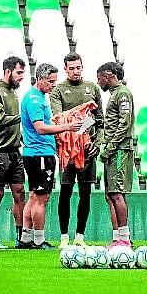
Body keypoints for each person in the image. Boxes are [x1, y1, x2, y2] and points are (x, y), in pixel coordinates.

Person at [18, 63, 82, 249]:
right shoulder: (35, 100)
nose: (54, 85)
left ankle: (26, 239)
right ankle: (39, 240)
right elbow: (40, 128)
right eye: (51, 81)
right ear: (40, 79)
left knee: (33, 196)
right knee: (41, 198)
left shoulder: (36, 97)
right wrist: (67, 127)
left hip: (35, 153)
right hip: (40, 154)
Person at [50, 53, 104, 248]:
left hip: (88, 149)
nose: (75, 71)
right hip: (67, 150)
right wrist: (81, 118)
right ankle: (64, 237)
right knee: (65, 192)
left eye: (78, 67)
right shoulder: (58, 90)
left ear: (82, 67)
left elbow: (100, 121)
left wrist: (97, 143)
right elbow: (59, 119)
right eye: (71, 68)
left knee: (85, 193)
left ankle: (80, 236)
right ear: (65, 69)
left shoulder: (92, 88)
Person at [0, 56, 27, 249]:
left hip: (15, 151)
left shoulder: (13, 92)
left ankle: (21, 237)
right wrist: (23, 116)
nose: (21, 77)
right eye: (19, 72)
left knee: (20, 192)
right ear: (8, 71)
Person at [97, 62, 135, 248]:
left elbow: (124, 123)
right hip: (114, 149)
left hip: (119, 150)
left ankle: (124, 239)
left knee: (117, 193)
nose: (99, 82)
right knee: (111, 195)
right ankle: (118, 237)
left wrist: (110, 147)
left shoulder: (123, 93)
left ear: (108, 76)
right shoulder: (115, 94)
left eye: (100, 78)